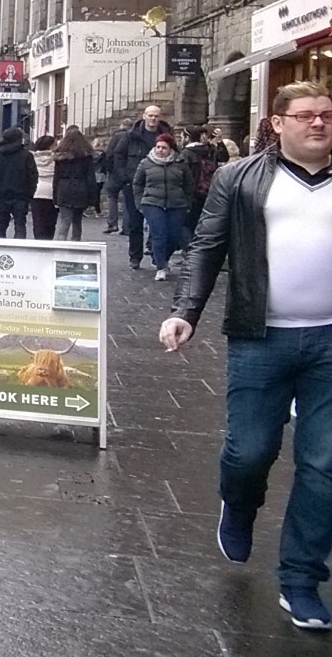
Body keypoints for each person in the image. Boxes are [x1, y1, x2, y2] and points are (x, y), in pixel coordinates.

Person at [161, 80, 332, 631]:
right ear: (278, 123)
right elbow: (207, 245)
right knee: (249, 453)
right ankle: (238, 505)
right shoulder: (240, 179)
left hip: (329, 341)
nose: (319, 123)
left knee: (325, 466)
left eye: (326, 115)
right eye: (305, 115)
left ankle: (300, 579)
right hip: (261, 337)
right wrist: (186, 310)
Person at [111, 103, 175, 270]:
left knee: (158, 223)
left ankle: (157, 257)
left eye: (156, 116)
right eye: (150, 115)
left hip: (158, 184)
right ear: (144, 116)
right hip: (133, 184)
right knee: (135, 222)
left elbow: (175, 155)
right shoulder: (131, 136)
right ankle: (135, 256)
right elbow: (118, 156)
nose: (153, 119)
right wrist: (124, 177)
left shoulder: (166, 135)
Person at [134, 132, 195, 281]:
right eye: (158, 147)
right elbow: (137, 183)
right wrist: (140, 202)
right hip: (152, 203)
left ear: (170, 149)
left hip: (176, 204)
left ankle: (164, 258)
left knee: (173, 237)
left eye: (164, 147)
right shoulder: (146, 163)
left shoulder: (180, 163)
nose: (160, 150)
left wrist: (187, 202)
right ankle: (160, 266)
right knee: (159, 233)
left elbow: (189, 184)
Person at [52, 126, 99, 241]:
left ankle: (61, 246)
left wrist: (55, 196)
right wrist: (93, 199)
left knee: (64, 221)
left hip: (64, 188)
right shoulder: (86, 157)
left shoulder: (60, 157)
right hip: (81, 188)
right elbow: (91, 178)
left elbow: (56, 178)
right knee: (77, 221)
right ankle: (76, 244)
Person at [0, 127, 37, 238]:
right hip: (21, 195)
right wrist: (29, 194)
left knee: (1, 225)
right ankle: (19, 250)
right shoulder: (26, 155)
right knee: (20, 225)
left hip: (3, 194)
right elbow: (32, 176)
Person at [182, 125, 221, 254]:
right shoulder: (211, 149)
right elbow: (224, 157)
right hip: (209, 191)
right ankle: (201, 250)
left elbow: (184, 175)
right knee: (204, 222)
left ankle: (190, 250)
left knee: (188, 224)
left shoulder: (186, 153)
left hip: (193, 192)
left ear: (188, 138)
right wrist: (219, 141)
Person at [31, 133, 59, 240]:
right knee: (50, 223)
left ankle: (38, 242)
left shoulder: (32, 158)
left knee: (38, 222)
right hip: (51, 192)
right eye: (55, 144)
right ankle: (48, 242)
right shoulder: (56, 160)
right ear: (50, 146)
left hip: (36, 191)